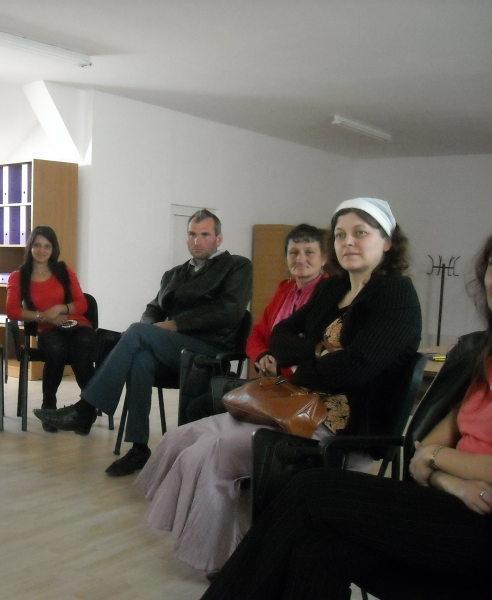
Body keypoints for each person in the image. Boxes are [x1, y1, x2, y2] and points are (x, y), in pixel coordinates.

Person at [134, 198, 422, 573]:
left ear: (388, 241)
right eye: (339, 235)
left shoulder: (395, 293)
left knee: (210, 453)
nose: (348, 241)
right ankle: (237, 544)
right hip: (297, 407)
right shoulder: (333, 289)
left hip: (341, 429)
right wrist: (318, 352)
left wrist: (303, 367)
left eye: (360, 233)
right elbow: (280, 335)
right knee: (183, 437)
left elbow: (357, 367)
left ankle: (231, 561)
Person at [202, 232, 492, 600]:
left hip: (479, 527)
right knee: (317, 551)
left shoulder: (393, 298)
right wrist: (450, 479)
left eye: (360, 233)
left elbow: (428, 451)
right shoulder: (482, 353)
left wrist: (436, 459)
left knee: (308, 490)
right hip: (452, 497)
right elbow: (427, 448)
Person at [35, 209, 253, 475]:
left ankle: (86, 409)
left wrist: (173, 325)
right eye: (192, 234)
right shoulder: (174, 274)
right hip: (174, 349)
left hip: (211, 351)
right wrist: (151, 329)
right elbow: (153, 309)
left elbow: (229, 312)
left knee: (137, 334)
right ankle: (139, 448)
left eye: (205, 235)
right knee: (141, 357)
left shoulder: (236, 266)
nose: (197, 241)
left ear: (218, 239)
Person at [184, 223, 327, 422]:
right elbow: (256, 335)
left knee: (209, 410)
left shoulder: (329, 295)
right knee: (199, 406)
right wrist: (262, 356)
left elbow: (318, 352)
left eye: (309, 252)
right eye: (293, 252)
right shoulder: (284, 290)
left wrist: (280, 368)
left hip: (304, 390)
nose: (300, 259)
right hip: (272, 382)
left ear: (323, 259)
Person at [6, 226, 96, 433]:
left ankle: (87, 410)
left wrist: (60, 308)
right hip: (47, 328)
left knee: (82, 349)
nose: (42, 250)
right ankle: (49, 407)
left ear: (53, 249)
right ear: (30, 247)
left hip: (77, 324)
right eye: (37, 245)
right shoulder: (19, 275)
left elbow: (82, 304)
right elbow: (12, 310)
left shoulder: (64, 271)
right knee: (56, 350)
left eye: (47, 246)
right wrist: (43, 316)